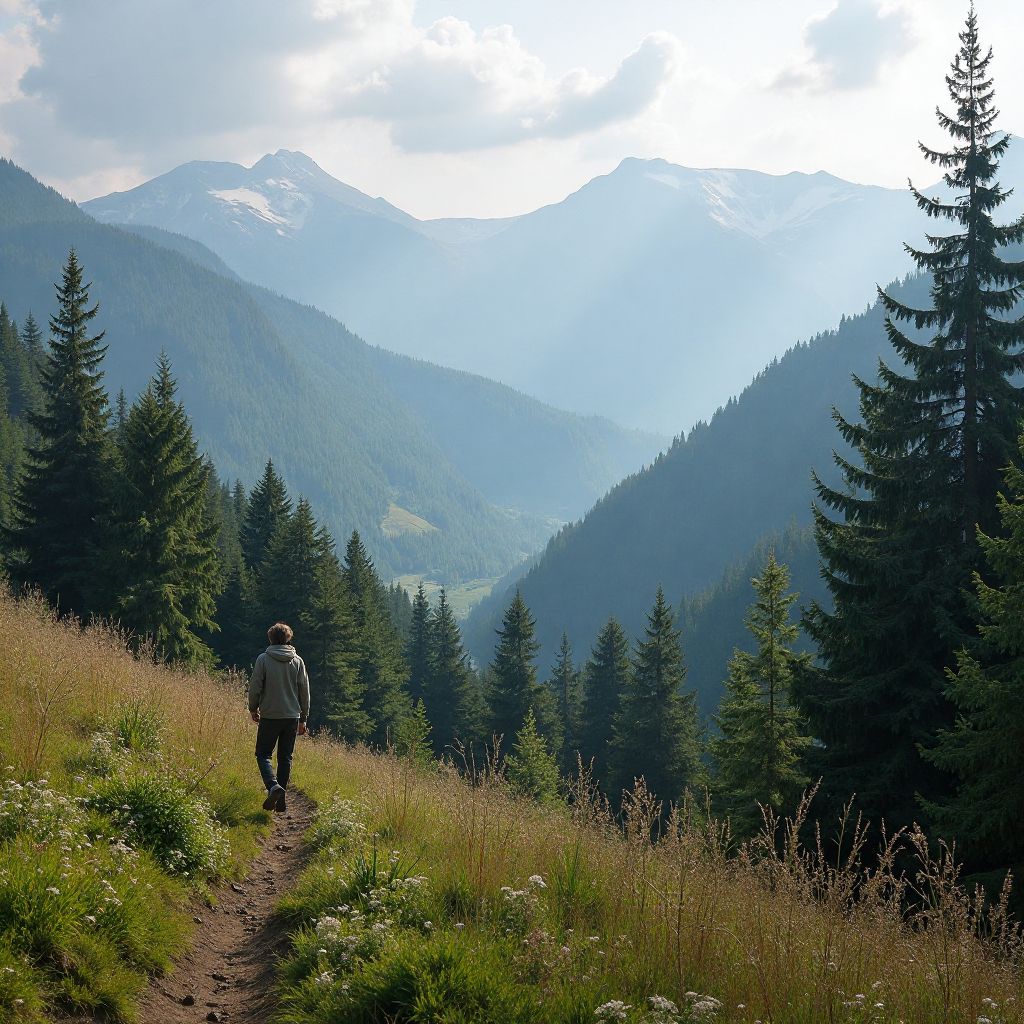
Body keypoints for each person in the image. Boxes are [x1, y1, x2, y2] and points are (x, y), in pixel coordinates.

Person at [248, 622, 310, 811]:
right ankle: (281, 801)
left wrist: (253, 708)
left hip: (270, 715)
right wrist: (303, 718)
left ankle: (273, 786)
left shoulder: (263, 659)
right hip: (291, 716)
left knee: (263, 754)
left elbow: (255, 686)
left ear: (271, 639)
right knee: (285, 757)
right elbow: (304, 690)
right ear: (288, 638)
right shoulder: (297, 660)